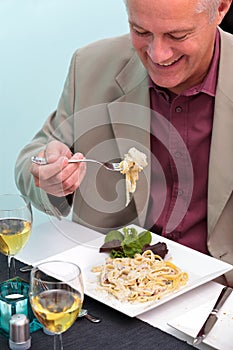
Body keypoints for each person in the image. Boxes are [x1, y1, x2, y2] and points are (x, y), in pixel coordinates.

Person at [15, 0, 233, 286]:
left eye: (177, 36)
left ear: (221, 9)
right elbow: (31, 160)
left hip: (221, 294)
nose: (158, 54)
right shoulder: (91, 64)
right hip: (110, 286)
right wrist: (50, 175)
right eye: (140, 31)